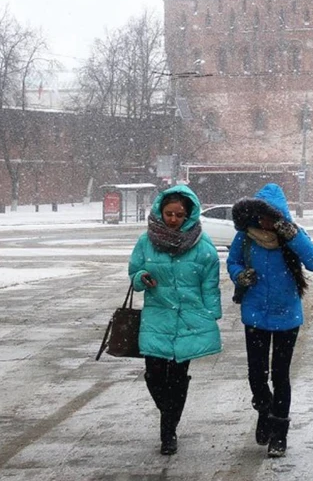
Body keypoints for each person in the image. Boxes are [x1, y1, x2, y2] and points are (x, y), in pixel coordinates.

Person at [227, 183, 313, 458]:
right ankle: (264, 410)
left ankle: (279, 433)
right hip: (255, 315)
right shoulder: (245, 237)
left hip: (286, 317)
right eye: (261, 216)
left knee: (280, 376)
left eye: (271, 216)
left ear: (281, 215)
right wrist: (239, 275)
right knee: (257, 375)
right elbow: (232, 262)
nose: (265, 222)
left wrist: (292, 236)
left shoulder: (293, 237)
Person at [128, 185, 222, 456]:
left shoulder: (202, 245)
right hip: (157, 317)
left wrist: (211, 315)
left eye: (179, 215)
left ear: (188, 214)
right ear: (160, 211)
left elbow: (209, 284)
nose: (173, 219)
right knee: (153, 375)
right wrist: (140, 278)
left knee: (178, 379)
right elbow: (135, 271)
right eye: (169, 213)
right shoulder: (146, 241)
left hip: (189, 319)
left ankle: (168, 432)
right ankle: (169, 413)